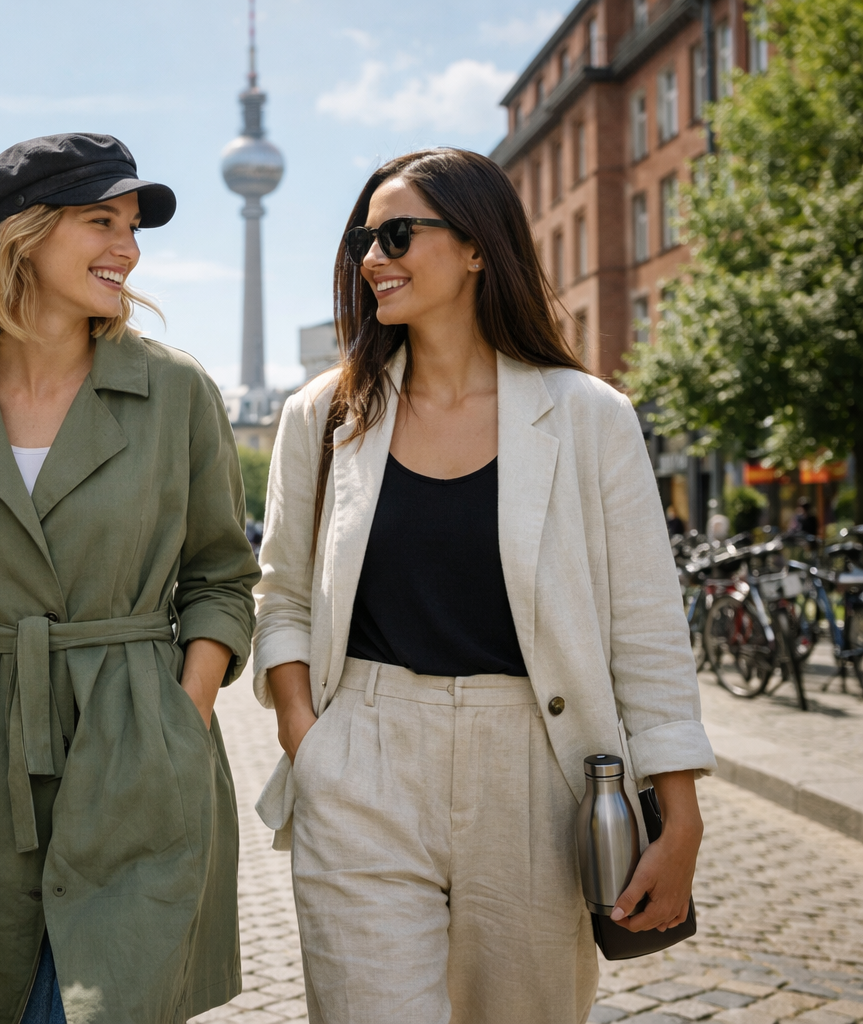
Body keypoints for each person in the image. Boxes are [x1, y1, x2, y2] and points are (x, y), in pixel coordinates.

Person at [252, 148, 716, 1024]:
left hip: (538, 773)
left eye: (396, 235)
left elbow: (647, 631)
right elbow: (281, 595)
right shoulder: (326, 413)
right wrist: (306, 734)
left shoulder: (588, 417)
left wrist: (680, 818)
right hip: (364, 762)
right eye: (363, 240)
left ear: (476, 247)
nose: (371, 258)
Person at [0, 134, 259, 1023]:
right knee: (3, 1000)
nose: (127, 247)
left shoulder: (175, 391)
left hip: (136, 739)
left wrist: (176, 715)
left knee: (103, 1002)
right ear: (23, 233)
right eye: (101, 221)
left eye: (133, 226)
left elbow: (220, 577)